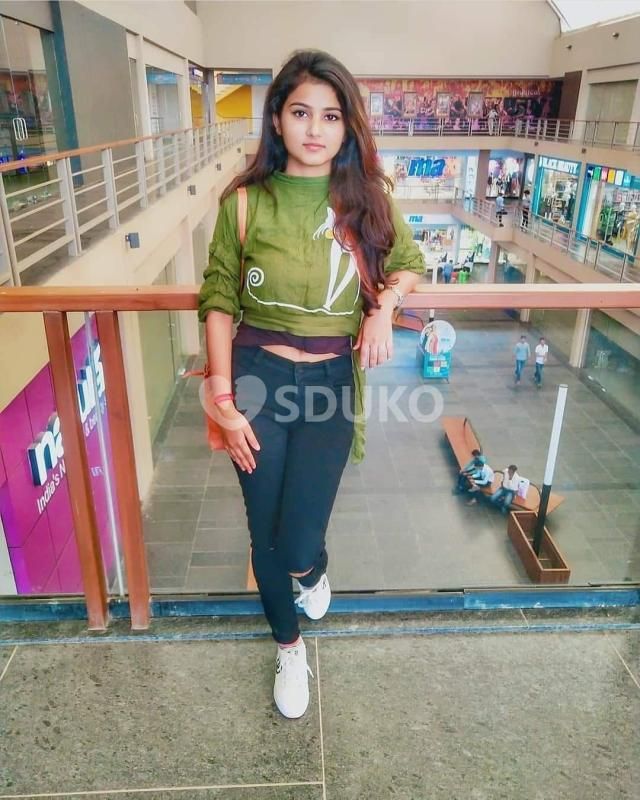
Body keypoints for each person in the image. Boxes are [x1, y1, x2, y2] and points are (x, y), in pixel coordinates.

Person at [198, 50, 424, 720]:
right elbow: (218, 299)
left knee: (297, 542)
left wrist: (383, 308)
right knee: (264, 534)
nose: (315, 129)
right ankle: (289, 647)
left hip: (329, 383)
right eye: (301, 112)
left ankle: (313, 569)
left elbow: (410, 262)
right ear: (277, 119)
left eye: (330, 116)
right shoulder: (244, 204)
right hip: (256, 380)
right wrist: (222, 397)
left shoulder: (366, 202)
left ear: (347, 126)